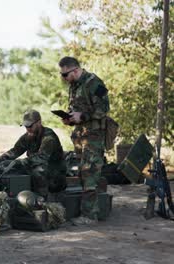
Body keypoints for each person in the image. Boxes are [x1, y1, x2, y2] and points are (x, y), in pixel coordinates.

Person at [58, 56, 110, 225]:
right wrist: (70, 118)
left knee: (89, 173)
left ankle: (90, 215)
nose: (64, 78)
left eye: (65, 75)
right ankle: (89, 211)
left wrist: (83, 116)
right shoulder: (74, 86)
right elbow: (76, 109)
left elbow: (104, 109)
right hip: (80, 135)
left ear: (75, 70)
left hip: (93, 136)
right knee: (82, 172)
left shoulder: (94, 83)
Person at [0, 109, 67, 198]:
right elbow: (15, 151)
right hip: (40, 171)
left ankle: (42, 199)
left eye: (30, 126)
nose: (28, 129)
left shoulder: (49, 137)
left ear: (39, 123)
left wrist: (18, 162)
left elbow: (41, 158)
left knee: (38, 170)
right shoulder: (29, 136)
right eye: (26, 126)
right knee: (12, 171)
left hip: (55, 175)